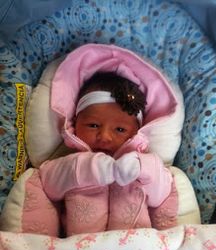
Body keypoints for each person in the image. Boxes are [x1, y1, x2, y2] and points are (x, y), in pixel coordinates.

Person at [39, 71, 175, 236]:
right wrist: (88, 167)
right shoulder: (71, 163)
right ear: (75, 123)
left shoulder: (146, 163)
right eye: (93, 125)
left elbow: (161, 196)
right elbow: (48, 186)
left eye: (120, 129)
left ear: (136, 132)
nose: (104, 137)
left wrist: (141, 168)